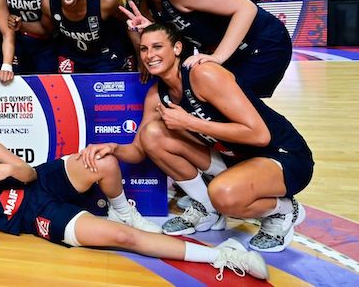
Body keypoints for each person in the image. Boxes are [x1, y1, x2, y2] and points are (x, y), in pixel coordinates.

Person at [0, 112, 269, 281]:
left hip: (42, 180)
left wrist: (8, 171)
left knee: (103, 160)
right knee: (121, 238)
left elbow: (29, 174)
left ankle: (122, 209)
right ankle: (221, 255)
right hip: (32, 215)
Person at [80, 24, 312, 253]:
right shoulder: (156, 95)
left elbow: (259, 135)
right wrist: (112, 147)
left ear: (178, 48)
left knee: (224, 194)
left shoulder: (203, 74)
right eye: (144, 49)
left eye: (158, 47)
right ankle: (207, 210)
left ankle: (283, 210)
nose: (150, 55)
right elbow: (140, 150)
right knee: (153, 135)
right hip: (234, 158)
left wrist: (190, 122)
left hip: (282, 155)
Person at [118, 0, 292, 98]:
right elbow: (187, 30)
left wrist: (217, 57)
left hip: (264, 42)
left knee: (239, 109)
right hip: (237, 50)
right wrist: (153, 27)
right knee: (229, 108)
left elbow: (246, 8)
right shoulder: (151, 6)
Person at [42, 0, 134, 73]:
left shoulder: (106, 1)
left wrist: (139, 55)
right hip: (72, 55)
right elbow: (47, 32)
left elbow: (130, 24)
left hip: (105, 55)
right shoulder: (48, 4)